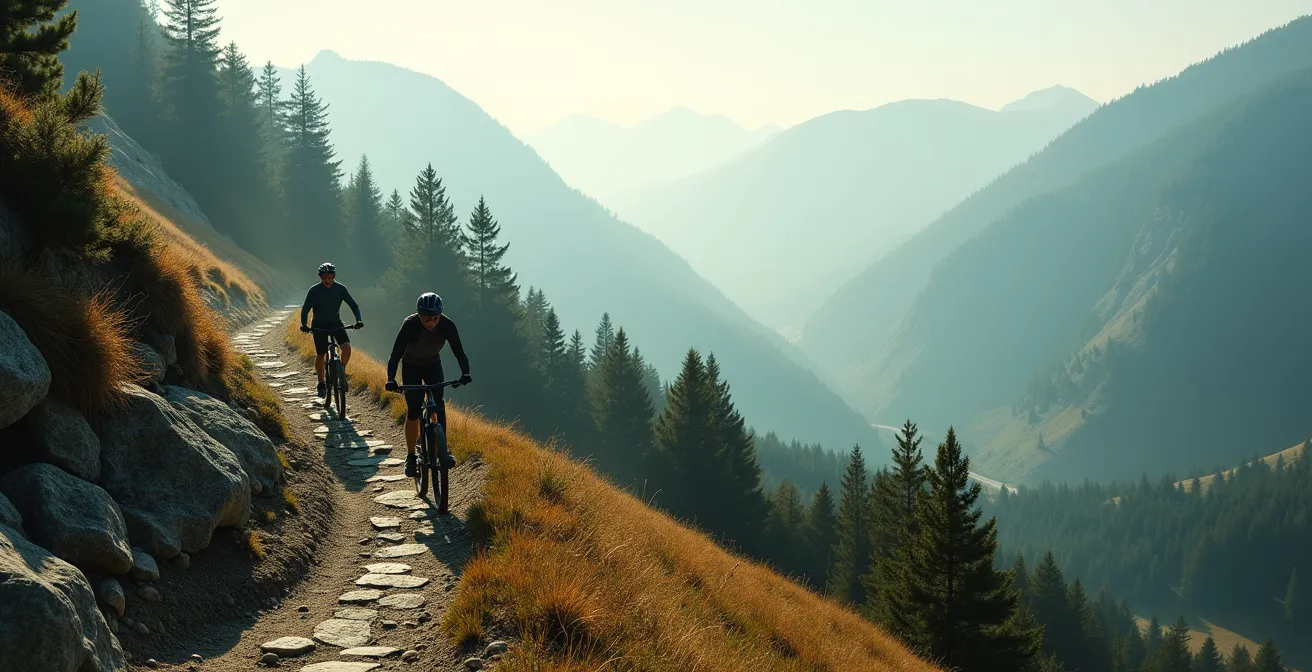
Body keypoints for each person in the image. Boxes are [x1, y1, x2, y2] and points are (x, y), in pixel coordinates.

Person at [384, 292, 472, 478]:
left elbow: (459, 351)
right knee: (414, 410)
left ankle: (443, 449)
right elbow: (395, 354)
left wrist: (465, 373)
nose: (431, 322)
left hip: (433, 364)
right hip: (411, 366)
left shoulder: (447, 325)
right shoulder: (409, 325)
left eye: (435, 318)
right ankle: (410, 456)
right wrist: (391, 378)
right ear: (418, 315)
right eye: (426, 318)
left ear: (440, 315)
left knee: (438, 405)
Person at [299, 262, 363, 398]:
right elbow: (305, 309)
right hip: (319, 325)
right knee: (321, 354)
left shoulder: (340, 289)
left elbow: (354, 305)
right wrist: (304, 324)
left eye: (330, 277)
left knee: (346, 348)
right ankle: (321, 383)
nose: (327, 281)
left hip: (336, 324)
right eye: (324, 278)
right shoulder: (314, 290)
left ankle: (341, 371)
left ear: (334, 276)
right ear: (320, 278)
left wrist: (359, 320)